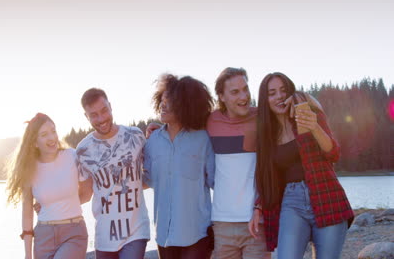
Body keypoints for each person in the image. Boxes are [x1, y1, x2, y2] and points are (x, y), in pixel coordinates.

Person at [253, 72, 354, 258]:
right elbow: (270, 176)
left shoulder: (309, 113)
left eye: (283, 90)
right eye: (272, 93)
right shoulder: (267, 134)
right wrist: (259, 207)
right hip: (291, 202)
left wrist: (314, 126)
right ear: (265, 99)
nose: (279, 96)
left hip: (326, 196)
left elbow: (333, 153)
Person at [143, 74, 215, 259]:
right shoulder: (152, 142)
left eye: (170, 101)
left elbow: (216, 182)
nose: (163, 105)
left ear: (186, 105)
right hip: (163, 236)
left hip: (197, 234)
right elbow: (149, 180)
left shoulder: (203, 140)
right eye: (163, 100)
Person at [75, 88, 150, 259]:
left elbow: (150, 175)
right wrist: (51, 204)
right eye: (93, 115)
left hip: (135, 230)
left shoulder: (135, 136)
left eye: (104, 111)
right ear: (86, 116)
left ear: (110, 107)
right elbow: (85, 194)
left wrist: (158, 130)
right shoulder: (83, 150)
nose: (101, 119)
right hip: (104, 235)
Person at [207, 67, 271, 259]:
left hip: (256, 223)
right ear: (222, 96)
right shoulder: (210, 121)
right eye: (235, 92)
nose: (244, 96)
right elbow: (184, 133)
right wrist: (159, 129)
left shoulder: (262, 119)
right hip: (221, 223)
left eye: (245, 89)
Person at [6, 112, 89, 259]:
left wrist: (62, 205)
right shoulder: (29, 168)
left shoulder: (72, 156)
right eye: (44, 134)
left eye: (53, 131)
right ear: (34, 142)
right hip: (43, 236)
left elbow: (87, 193)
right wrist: (27, 254)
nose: (52, 138)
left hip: (73, 233)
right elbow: (27, 211)